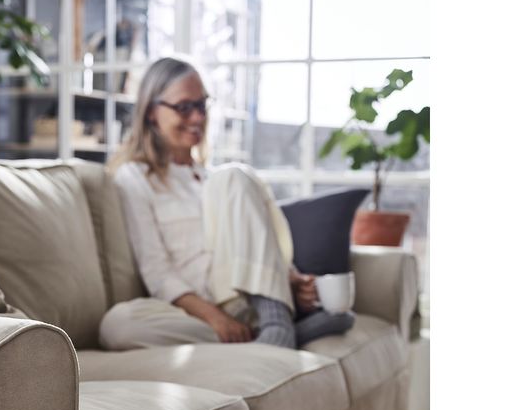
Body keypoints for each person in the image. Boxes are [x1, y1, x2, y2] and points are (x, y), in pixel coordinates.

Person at [100, 55, 354, 350]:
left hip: (248, 293)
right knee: (118, 325)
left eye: (201, 105)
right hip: (199, 309)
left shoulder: (217, 180)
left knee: (233, 175)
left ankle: (275, 322)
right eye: (184, 107)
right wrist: (216, 318)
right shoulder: (134, 177)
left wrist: (292, 280)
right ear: (151, 112)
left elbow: (257, 240)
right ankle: (274, 330)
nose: (197, 117)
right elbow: (157, 272)